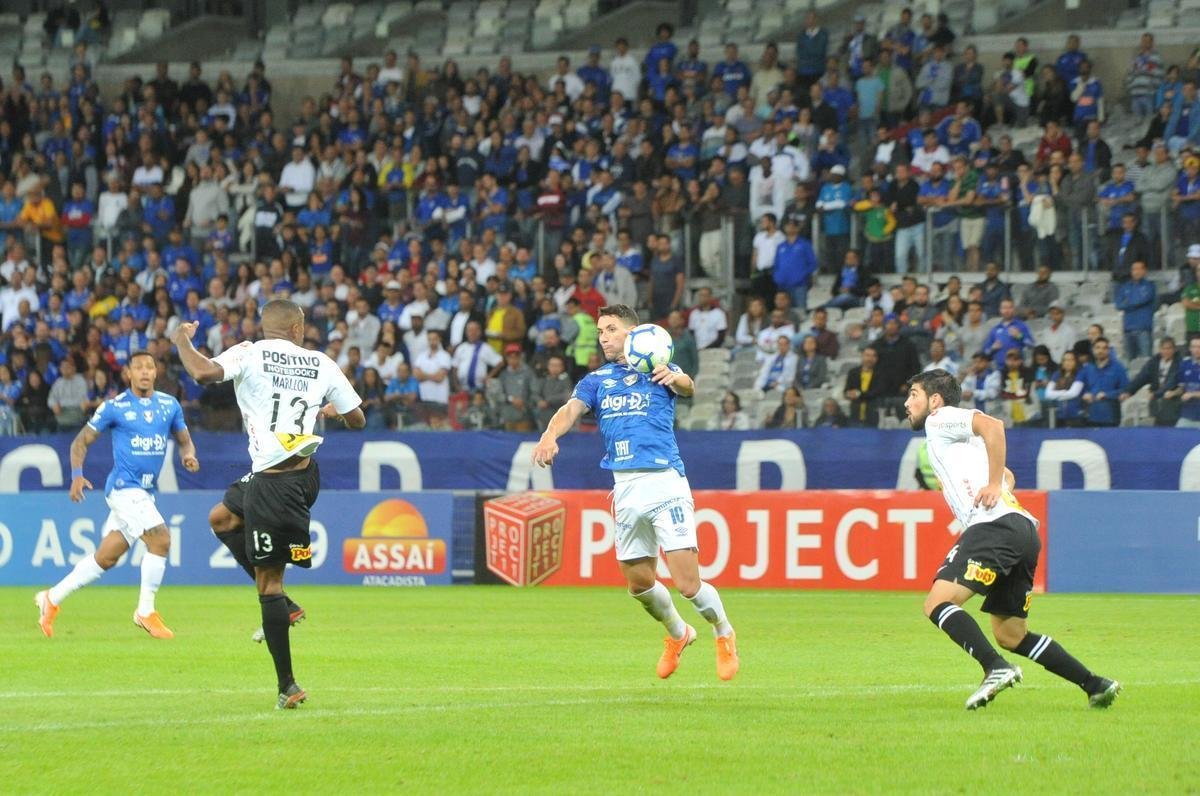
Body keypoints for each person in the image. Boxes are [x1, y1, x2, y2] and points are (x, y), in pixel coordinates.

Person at [170, 299, 365, 710]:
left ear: (266, 327)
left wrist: (180, 341)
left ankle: (287, 685)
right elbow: (358, 418)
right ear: (298, 328)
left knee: (268, 583)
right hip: (298, 474)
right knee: (221, 518)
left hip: (277, 484)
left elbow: (203, 372)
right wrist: (332, 410)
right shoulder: (321, 363)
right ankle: (287, 608)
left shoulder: (250, 351)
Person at [532, 304, 739, 681]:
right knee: (639, 583)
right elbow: (570, 409)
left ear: (633, 333)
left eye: (610, 328)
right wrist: (549, 434)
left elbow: (688, 385)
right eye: (600, 331)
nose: (603, 336)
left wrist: (676, 379)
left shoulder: (658, 368)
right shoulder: (597, 380)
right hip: (624, 487)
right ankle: (679, 634)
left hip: (664, 482)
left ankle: (724, 632)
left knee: (688, 584)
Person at [905, 369, 1119, 710]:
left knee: (937, 602)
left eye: (913, 394)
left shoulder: (938, 418)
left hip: (993, 526)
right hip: (1022, 530)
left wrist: (991, 485)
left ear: (934, 400)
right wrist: (996, 482)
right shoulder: (963, 440)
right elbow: (1009, 475)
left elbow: (994, 426)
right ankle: (1095, 684)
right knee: (1010, 634)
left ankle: (995, 668)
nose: (907, 403)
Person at [35, 352, 200, 640]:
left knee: (106, 558)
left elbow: (185, 441)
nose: (145, 372)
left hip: (145, 493)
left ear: (156, 372)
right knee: (160, 539)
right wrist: (76, 476)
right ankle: (145, 611)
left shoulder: (169, 405)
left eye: (150, 366)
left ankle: (51, 598)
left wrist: (189, 456)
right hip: (124, 489)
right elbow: (80, 441)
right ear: (128, 374)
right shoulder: (115, 407)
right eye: (139, 367)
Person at [1122, 336, 1182, 426]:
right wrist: (1129, 391)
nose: (1166, 351)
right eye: (1164, 348)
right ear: (1160, 349)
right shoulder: (1154, 362)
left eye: (1169, 348)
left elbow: (1172, 382)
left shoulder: (1180, 363)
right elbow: (1141, 377)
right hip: (1155, 406)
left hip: (1172, 405)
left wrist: (1156, 394)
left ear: (1174, 349)